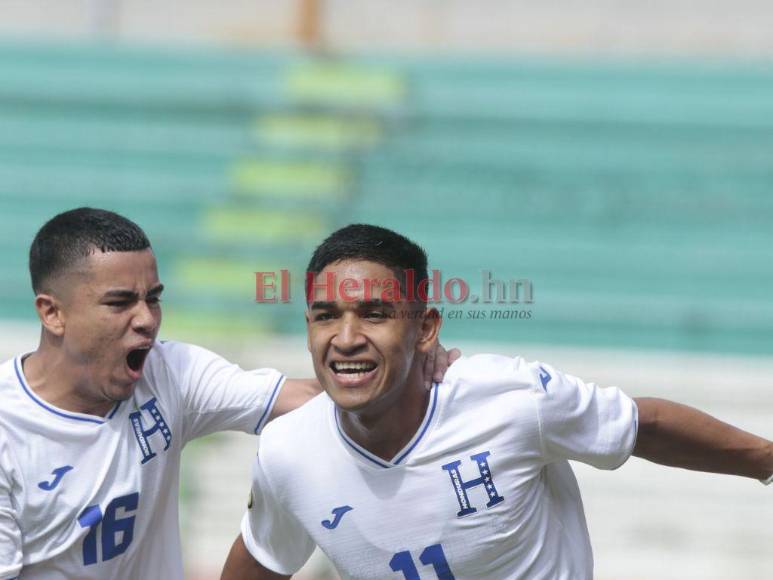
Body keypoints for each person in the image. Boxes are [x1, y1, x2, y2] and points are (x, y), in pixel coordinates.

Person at [222, 224, 773, 580]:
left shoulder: (510, 398)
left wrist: (767, 460)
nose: (345, 338)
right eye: (326, 317)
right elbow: (264, 556)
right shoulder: (288, 452)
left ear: (425, 328)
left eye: (374, 314)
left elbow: (642, 425)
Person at [0, 207, 460, 580]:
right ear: (52, 313)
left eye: (153, 298)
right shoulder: (9, 434)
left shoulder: (170, 373)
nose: (147, 319)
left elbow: (314, 398)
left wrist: (405, 362)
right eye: (120, 302)